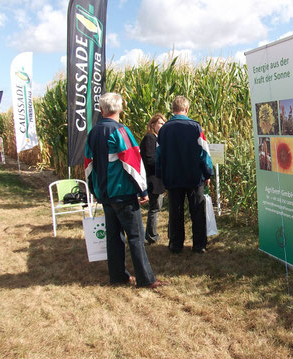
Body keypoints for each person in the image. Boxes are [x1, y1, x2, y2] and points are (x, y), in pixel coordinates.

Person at [85, 92, 167, 289]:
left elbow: (88, 166)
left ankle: (118, 276)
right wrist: (143, 190)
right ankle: (145, 279)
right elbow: (132, 162)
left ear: (102, 110)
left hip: (105, 194)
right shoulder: (120, 131)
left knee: (113, 237)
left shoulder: (93, 133)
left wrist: (93, 190)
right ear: (120, 109)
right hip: (122, 193)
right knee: (136, 236)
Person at [156, 96, 214, 254]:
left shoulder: (164, 130)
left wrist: (161, 175)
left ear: (173, 109)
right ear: (187, 109)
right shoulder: (195, 127)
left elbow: (158, 155)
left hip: (173, 177)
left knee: (175, 211)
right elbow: (204, 153)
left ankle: (176, 244)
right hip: (194, 177)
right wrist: (208, 173)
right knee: (197, 211)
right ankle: (199, 245)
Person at [139, 113, 166, 245]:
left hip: (156, 179)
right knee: (155, 208)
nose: (162, 126)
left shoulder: (156, 139)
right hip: (153, 179)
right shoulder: (150, 138)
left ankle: (150, 234)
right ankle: (151, 235)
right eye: (160, 123)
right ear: (153, 125)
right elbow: (149, 159)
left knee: (156, 207)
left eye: (163, 123)